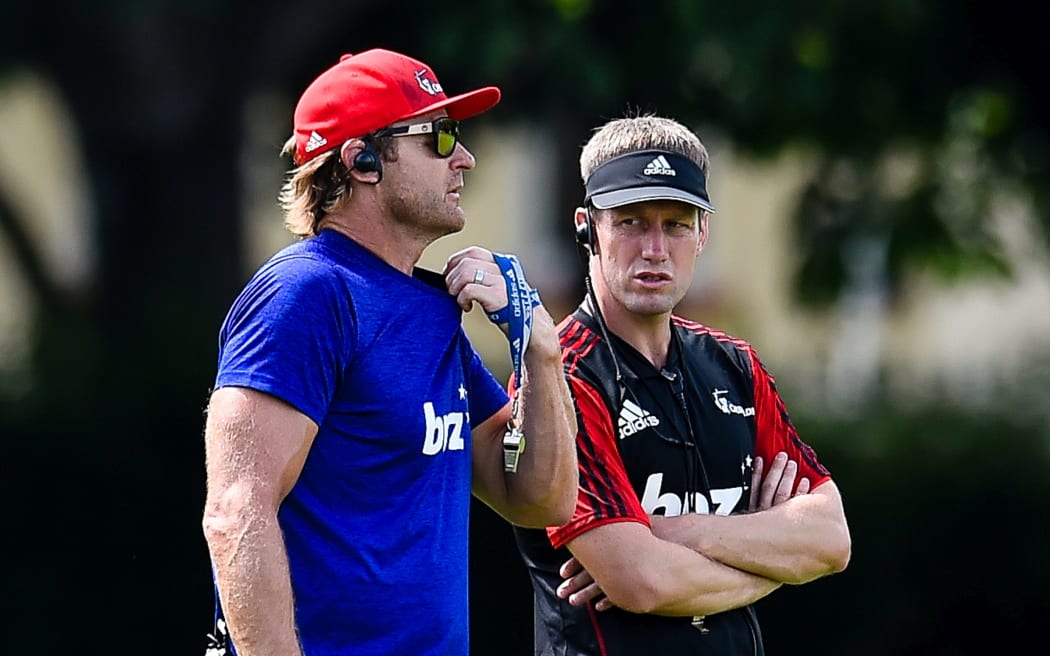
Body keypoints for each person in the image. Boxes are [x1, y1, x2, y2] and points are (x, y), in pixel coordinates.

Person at [200, 48, 578, 656]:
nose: (465, 158)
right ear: (363, 160)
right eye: (441, 136)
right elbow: (235, 513)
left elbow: (540, 498)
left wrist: (538, 344)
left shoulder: (431, 310)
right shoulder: (306, 293)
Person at [513, 114, 852, 655]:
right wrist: (770, 554)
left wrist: (673, 531)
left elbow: (831, 539)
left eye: (676, 223)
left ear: (702, 234)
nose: (655, 248)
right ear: (587, 227)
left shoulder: (735, 364)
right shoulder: (560, 378)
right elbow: (640, 582)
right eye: (630, 222)